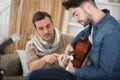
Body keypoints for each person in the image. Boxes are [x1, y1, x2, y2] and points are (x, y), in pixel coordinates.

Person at [28, 0, 120, 80]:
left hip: (90, 76)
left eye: (76, 14)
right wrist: (71, 44)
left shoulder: (111, 32)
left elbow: (106, 75)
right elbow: (85, 32)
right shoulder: (95, 23)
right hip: (81, 74)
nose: (76, 20)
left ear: (88, 6)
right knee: (33, 75)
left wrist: (74, 70)